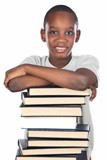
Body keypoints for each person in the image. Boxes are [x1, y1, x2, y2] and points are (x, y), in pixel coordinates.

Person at [4, 5, 99, 159]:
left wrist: (27, 69)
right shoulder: (35, 61)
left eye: (69, 32)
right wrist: (69, 80)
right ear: (43, 34)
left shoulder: (86, 61)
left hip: (78, 150)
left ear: (77, 35)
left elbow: (81, 81)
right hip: (39, 152)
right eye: (53, 32)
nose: (61, 39)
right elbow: (14, 84)